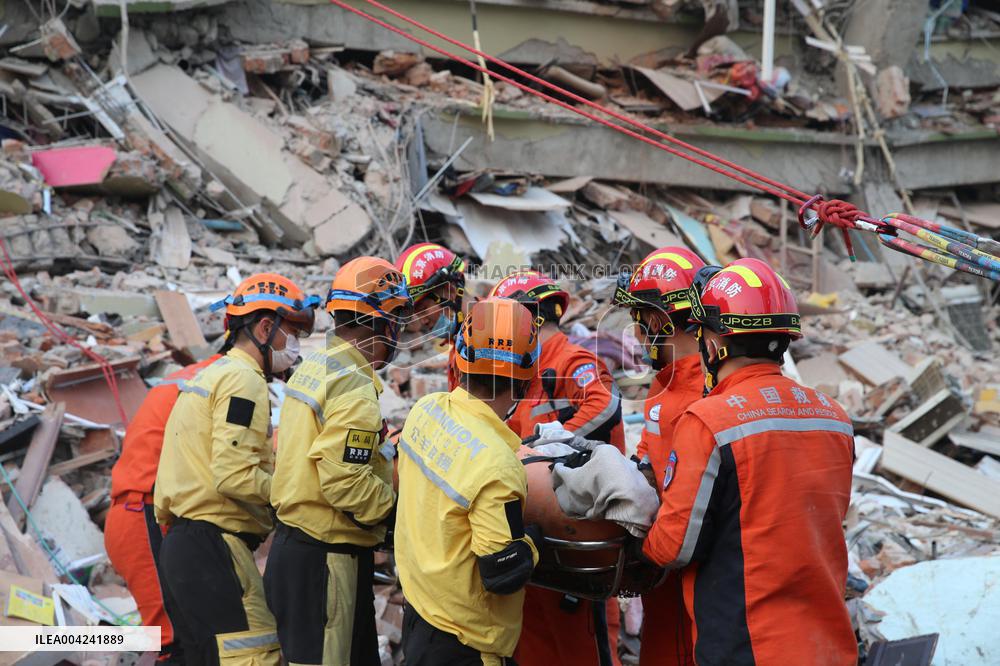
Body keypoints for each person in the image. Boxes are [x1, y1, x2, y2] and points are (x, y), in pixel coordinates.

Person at [638, 258, 857, 665]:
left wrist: (632, 533)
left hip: (749, 645)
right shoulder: (835, 417)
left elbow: (673, 547)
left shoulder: (710, 420)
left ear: (716, 343)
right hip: (829, 643)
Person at [154, 273, 319, 666]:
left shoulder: (213, 375)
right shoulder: (244, 381)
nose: (293, 347)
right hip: (213, 547)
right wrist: (298, 492)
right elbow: (235, 475)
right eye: (292, 334)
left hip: (188, 546)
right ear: (266, 327)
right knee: (254, 657)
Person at [265, 257, 412, 666]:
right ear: (382, 322)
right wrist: (398, 513)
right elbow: (344, 480)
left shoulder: (315, 366)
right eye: (397, 319)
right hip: (327, 560)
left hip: (295, 548)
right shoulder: (354, 386)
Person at [395, 297, 542, 666]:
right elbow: (503, 571)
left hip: (418, 617)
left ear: (461, 358)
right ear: (525, 380)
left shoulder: (424, 411)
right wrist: (534, 543)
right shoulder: (498, 466)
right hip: (464, 645)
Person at [489, 270, 623, 666]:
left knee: (581, 649)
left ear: (528, 318)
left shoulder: (573, 359)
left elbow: (605, 404)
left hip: (580, 533)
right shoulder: (525, 373)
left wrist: (547, 445)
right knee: (533, 646)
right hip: (538, 533)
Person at [610, 248, 718, 666]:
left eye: (640, 319)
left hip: (695, 573)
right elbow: (648, 461)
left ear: (660, 319)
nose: (637, 333)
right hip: (666, 575)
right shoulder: (664, 385)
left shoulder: (709, 395)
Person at [104, 354, 219, 664]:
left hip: (141, 513)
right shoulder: (223, 380)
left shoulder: (202, 374)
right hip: (141, 514)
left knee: (185, 634)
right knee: (171, 639)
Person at [394, 242, 466, 389]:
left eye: (423, 309)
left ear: (450, 290)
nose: (422, 321)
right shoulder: (465, 341)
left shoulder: (496, 334)